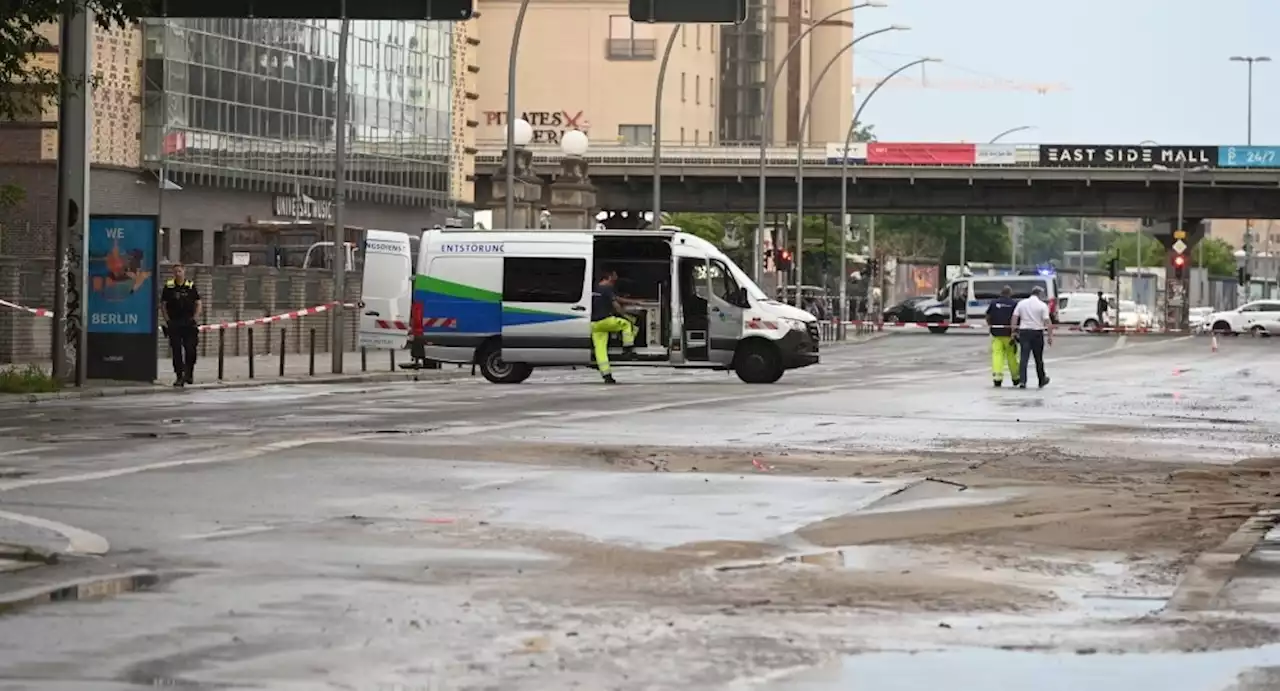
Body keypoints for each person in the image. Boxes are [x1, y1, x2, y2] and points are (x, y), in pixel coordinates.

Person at [590, 267, 640, 384]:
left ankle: (607, 375)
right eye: (615, 275)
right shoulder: (607, 288)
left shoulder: (595, 287)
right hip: (605, 320)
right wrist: (625, 316)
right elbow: (616, 304)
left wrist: (633, 301)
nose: (616, 278)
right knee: (626, 325)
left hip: (594, 324)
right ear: (609, 276)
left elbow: (616, 298)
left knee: (600, 350)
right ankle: (627, 349)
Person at [160, 263, 201, 387]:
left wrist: (195, 318)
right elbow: (163, 305)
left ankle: (189, 373)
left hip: (188, 322)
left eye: (180, 271)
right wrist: (167, 320)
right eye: (176, 271)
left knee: (190, 350)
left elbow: (198, 303)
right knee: (176, 351)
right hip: (175, 323)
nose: (178, 273)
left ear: (184, 272)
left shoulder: (190, 286)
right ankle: (179, 376)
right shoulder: (169, 286)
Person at [1011, 286, 1053, 389]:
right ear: (1039, 294)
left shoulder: (1021, 303)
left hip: (1024, 332)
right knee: (1038, 358)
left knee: (1024, 357)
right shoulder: (1042, 305)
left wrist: (1013, 331)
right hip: (1037, 333)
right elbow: (1047, 321)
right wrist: (1050, 336)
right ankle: (1041, 379)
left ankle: (1022, 381)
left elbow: (1014, 317)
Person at [985, 285, 1020, 388]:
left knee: (997, 355)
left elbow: (988, 316)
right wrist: (1016, 331)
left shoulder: (994, 303)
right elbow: (1016, 318)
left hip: (996, 334)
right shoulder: (1014, 304)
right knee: (1012, 356)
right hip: (1009, 335)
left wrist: (991, 325)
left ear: (1001, 293)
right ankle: (1016, 377)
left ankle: (997, 378)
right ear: (1010, 294)